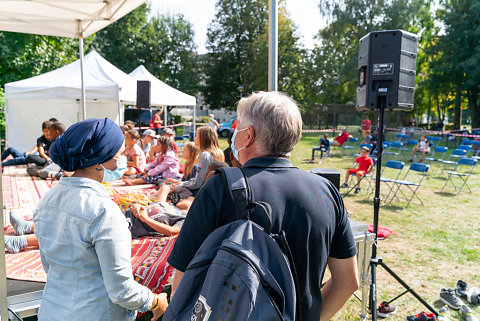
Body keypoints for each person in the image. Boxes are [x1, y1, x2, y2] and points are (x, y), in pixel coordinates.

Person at [167, 92, 358, 321]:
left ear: (248, 135)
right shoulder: (327, 192)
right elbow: (348, 281)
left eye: (237, 128)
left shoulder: (220, 189)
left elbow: (182, 285)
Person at [32, 118, 167, 321]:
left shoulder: (47, 199)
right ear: (101, 160)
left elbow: (49, 267)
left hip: (52, 311)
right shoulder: (104, 211)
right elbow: (122, 291)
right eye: (120, 154)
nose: (121, 161)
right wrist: (156, 302)